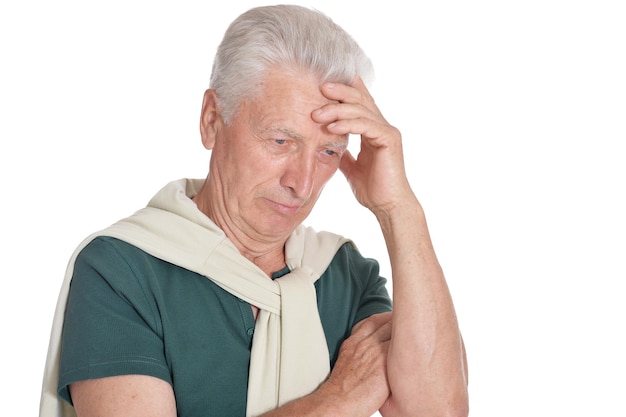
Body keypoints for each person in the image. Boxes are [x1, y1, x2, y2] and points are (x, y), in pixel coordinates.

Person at [40, 4, 469, 417]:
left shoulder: (340, 272)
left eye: (329, 151)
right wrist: (340, 399)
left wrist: (399, 210)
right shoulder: (121, 270)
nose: (302, 183)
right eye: (281, 142)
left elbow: (438, 411)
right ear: (212, 119)